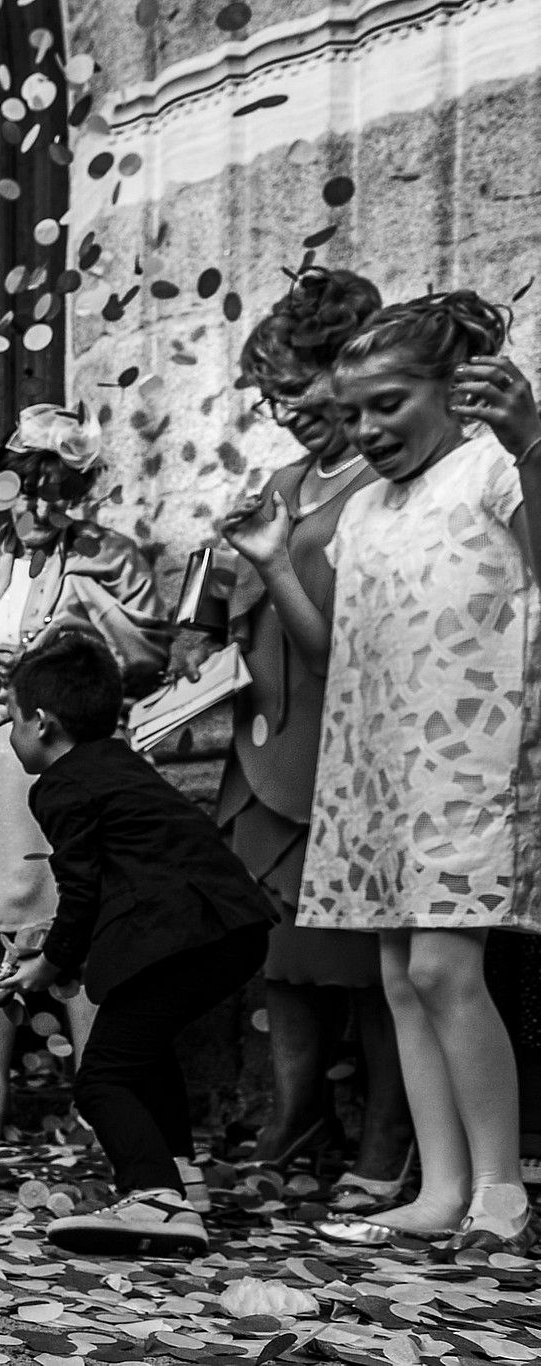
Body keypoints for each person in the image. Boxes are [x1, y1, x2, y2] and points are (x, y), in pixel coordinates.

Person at [269, 291, 541, 1252]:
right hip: (378, 764)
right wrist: (273, 563)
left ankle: (501, 1192)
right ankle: (441, 1188)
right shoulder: (364, 510)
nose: (367, 430)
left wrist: (531, 441)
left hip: (469, 759)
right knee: (399, 979)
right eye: (353, 413)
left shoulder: (492, 469)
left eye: (388, 404)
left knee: (441, 968)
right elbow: (330, 648)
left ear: (454, 391)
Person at [170, 269, 413, 1196]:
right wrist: (197, 633)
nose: (285, 411)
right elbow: (223, 590)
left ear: (347, 367)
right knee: (284, 959)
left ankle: (387, 1142)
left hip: (346, 748)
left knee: (370, 961)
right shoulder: (280, 480)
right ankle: (294, 1127)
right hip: (262, 743)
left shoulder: (389, 480)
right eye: (270, 395)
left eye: (295, 387)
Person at [0, 405, 169, 1146]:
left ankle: (96, 1103)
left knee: (81, 936)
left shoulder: (114, 560)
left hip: (82, 766)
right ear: (2, 488)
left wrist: (66, 642)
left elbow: (150, 662)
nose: (43, 511)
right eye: (28, 493)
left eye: (60, 495)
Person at [0, 633, 274, 1258]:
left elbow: (82, 890)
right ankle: (181, 1179)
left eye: (12, 720)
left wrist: (47, 967)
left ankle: (155, 1196)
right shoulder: (119, 764)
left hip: (181, 936)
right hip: (231, 926)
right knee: (142, 1053)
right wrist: (48, 941)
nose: (10, 735)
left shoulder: (60, 785)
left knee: (100, 1081)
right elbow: (121, 874)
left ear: (42, 723)